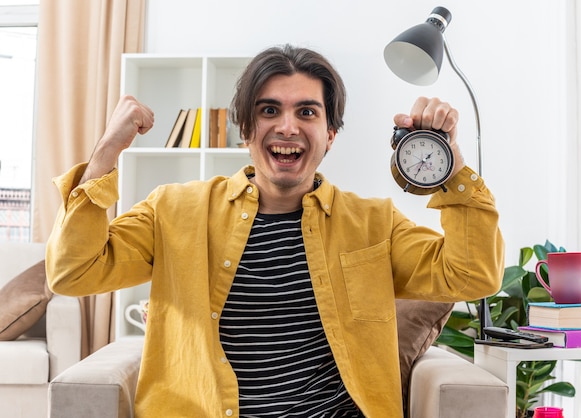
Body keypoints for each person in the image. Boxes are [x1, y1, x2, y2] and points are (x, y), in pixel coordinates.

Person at [46, 44, 504, 418]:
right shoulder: (173, 209)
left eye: (307, 112)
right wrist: (107, 151)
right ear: (246, 129)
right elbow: (74, 273)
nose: (288, 127)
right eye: (270, 110)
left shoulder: (374, 224)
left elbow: (471, 275)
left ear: (330, 134)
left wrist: (451, 166)